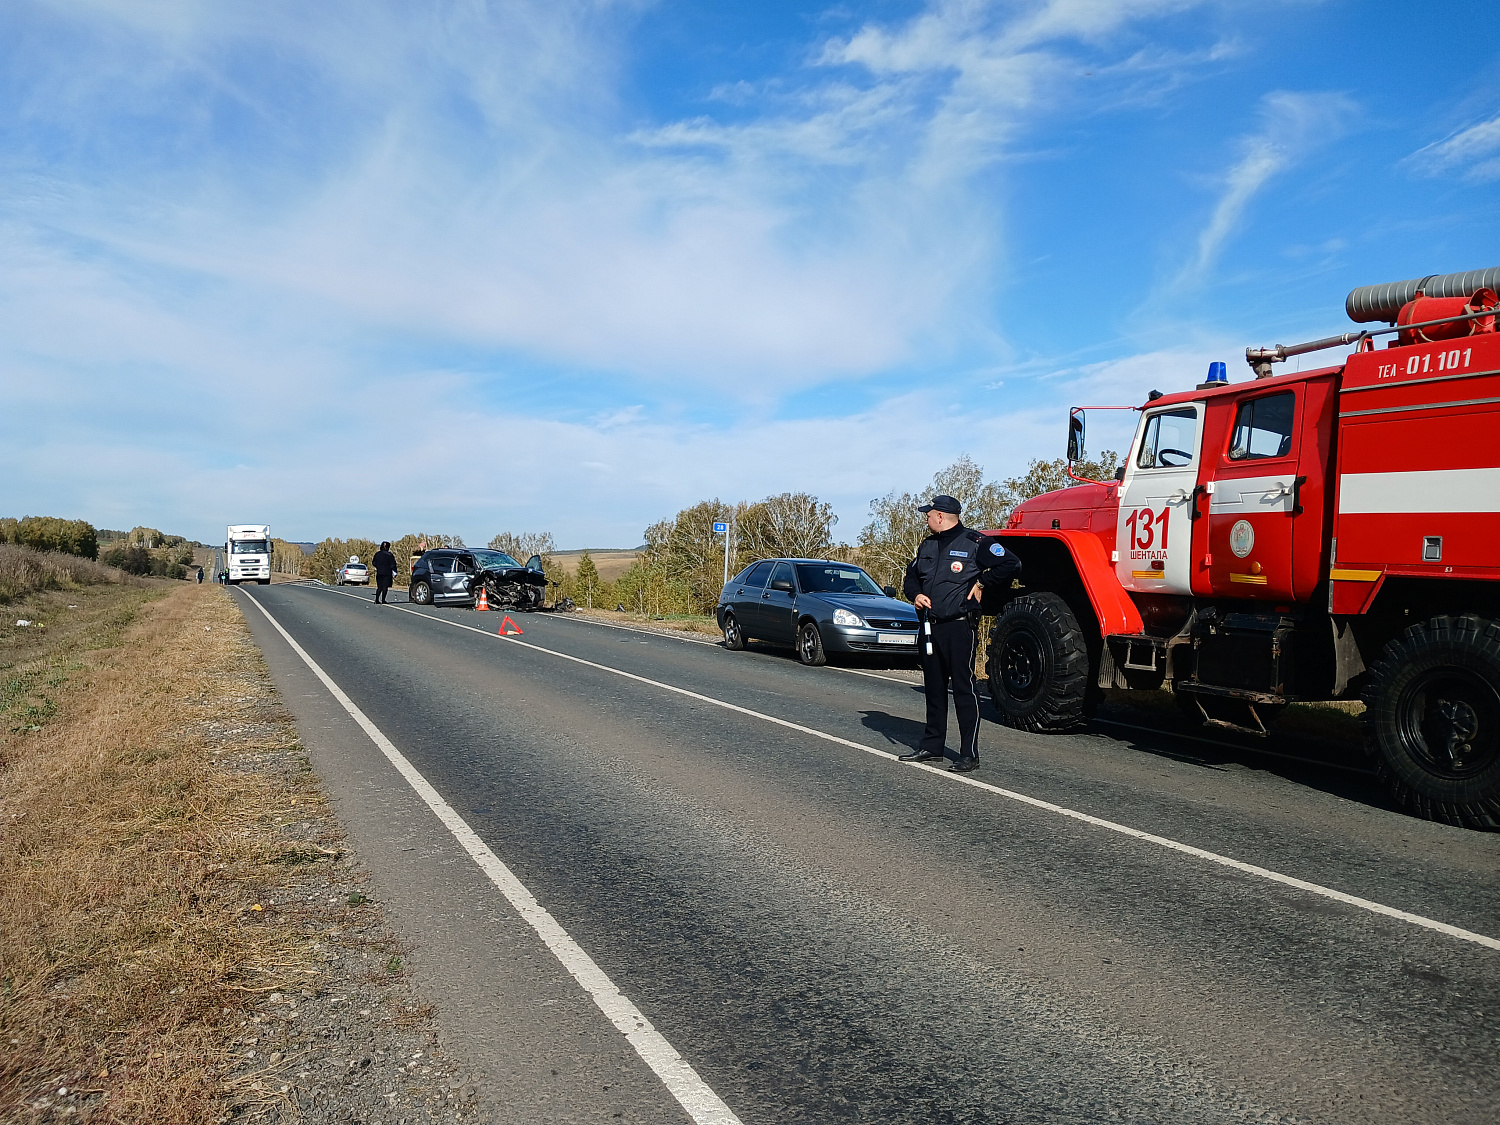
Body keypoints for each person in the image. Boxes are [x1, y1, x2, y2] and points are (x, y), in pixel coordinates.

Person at [898, 494, 1020, 773]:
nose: (926, 518)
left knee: (964, 689)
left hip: (959, 626)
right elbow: (912, 576)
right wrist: (915, 594)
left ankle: (968, 754)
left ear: (940, 516)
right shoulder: (927, 545)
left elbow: (1011, 564)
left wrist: (982, 582)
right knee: (934, 688)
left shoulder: (975, 542)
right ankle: (932, 746)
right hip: (930, 627)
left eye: (928, 514)